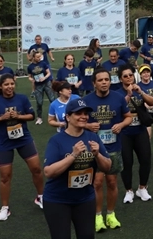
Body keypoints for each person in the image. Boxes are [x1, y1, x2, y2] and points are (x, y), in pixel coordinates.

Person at [42, 97, 111, 239]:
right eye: (78, 113)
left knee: (87, 236)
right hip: (58, 200)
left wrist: (98, 155)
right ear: (68, 117)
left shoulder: (93, 138)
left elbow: (108, 167)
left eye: (86, 113)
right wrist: (73, 155)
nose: (83, 117)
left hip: (85, 199)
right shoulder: (56, 140)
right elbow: (48, 172)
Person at [0, 73, 44, 221]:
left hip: (24, 139)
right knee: (5, 176)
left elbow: (31, 115)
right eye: (6, 84)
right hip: (4, 142)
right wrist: (1, 118)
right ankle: (5, 208)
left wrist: (18, 116)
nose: (9, 87)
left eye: (11, 84)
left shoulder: (22, 98)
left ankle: (41, 197)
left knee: (36, 168)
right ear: (1, 86)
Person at [84, 69, 133, 232]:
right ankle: (97, 216)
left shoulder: (118, 97)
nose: (104, 82)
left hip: (113, 148)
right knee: (97, 183)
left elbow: (129, 117)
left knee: (112, 182)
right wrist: (88, 125)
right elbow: (76, 122)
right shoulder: (87, 100)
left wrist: (121, 125)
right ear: (94, 83)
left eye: (106, 79)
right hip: (94, 150)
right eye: (100, 80)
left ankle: (110, 214)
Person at [118, 65, 153, 203]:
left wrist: (141, 92)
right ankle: (128, 191)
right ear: (121, 79)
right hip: (125, 132)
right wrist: (128, 95)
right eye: (125, 76)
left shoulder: (139, 89)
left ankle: (142, 188)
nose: (128, 78)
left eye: (130, 75)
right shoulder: (117, 93)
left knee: (145, 159)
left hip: (140, 130)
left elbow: (151, 102)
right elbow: (119, 108)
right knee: (127, 162)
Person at [29, 50, 54, 125]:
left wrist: (44, 78)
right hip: (38, 86)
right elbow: (29, 76)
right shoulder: (30, 67)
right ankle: (39, 117)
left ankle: (56, 115)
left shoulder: (43, 63)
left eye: (40, 56)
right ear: (33, 57)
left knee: (52, 100)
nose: (39, 58)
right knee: (39, 102)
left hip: (47, 83)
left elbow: (49, 73)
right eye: (37, 57)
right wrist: (32, 80)